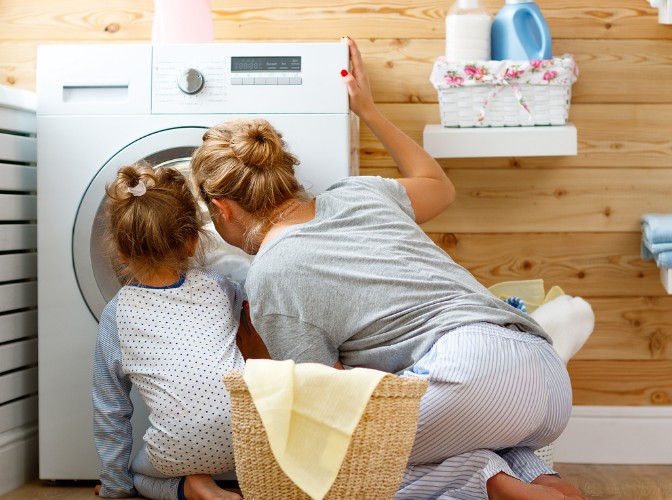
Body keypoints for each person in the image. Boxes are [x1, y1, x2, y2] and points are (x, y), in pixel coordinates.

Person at [189, 37, 585, 500]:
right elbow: (440, 187)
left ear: (224, 208)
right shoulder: (360, 193)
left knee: (326, 466)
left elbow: (328, 399)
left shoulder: (272, 273)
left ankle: (485, 480)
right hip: (546, 377)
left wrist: (256, 349)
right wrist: (369, 110)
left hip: (469, 375)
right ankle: (540, 481)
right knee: (447, 425)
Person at [92, 161, 245, 500]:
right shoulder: (222, 288)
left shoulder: (116, 312)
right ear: (192, 242)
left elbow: (111, 407)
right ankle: (206, 481)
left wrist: (115, 485)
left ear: (119, 250)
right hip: (247, 440)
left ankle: (193, 488)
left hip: (176, 448)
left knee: (136, 477)